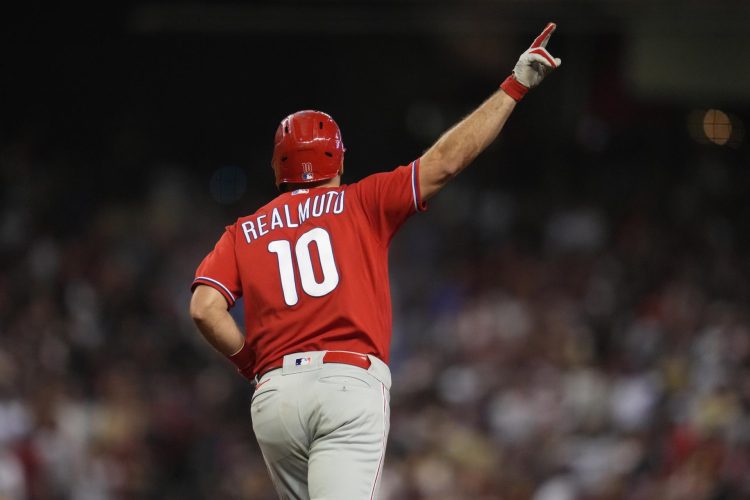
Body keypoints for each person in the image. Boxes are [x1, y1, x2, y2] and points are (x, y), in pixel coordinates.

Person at [189, 23, 561, 500]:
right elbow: (446, 161)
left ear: (278, 168)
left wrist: (249, 364)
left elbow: (203, 308)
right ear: (338, 162)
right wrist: (513, 87)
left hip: (276, 394)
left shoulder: (244, 230)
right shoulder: (360, 201)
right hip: (346, 385)